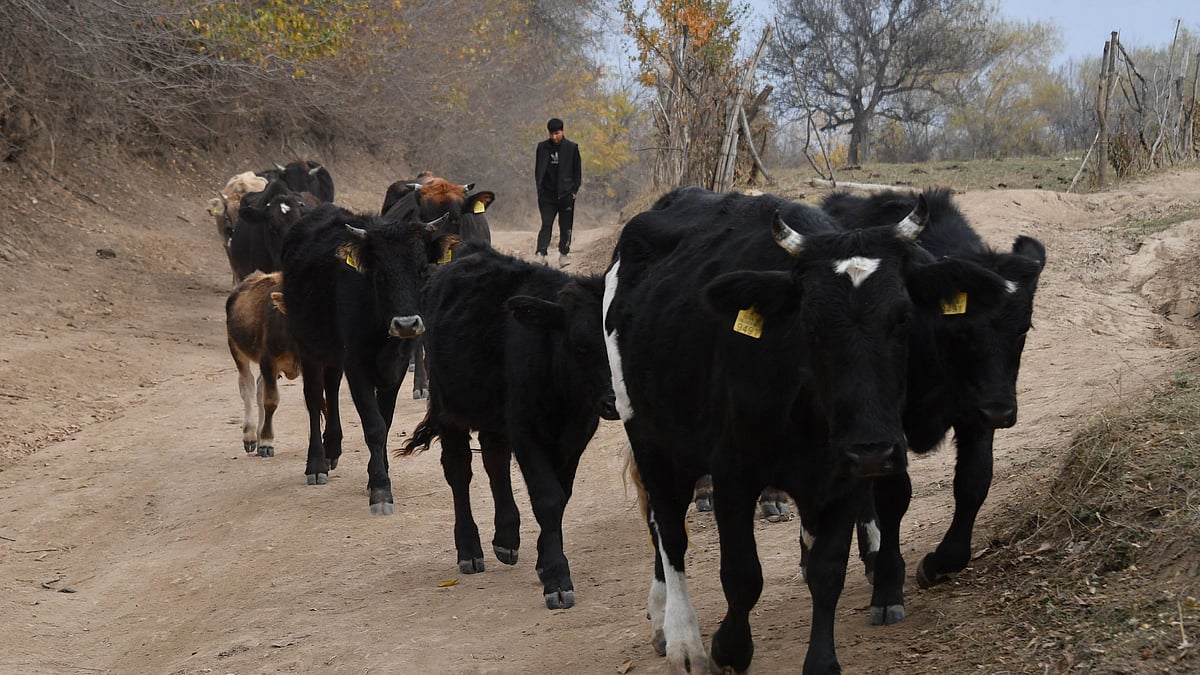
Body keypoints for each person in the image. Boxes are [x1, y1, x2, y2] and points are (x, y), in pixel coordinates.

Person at [533, 117, 581, 267]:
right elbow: (538, 170)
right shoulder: (542, 147)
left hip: (566, 194)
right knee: (546, 224)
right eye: (551, 134)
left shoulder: (572, 148)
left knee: (566, 226)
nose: (554, 137)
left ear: (563, 131)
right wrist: (539, 189)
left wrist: (574, 191)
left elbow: (577, 172)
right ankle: (541, 254)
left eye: (557, 133)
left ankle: (563, 255)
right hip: (547, 195)